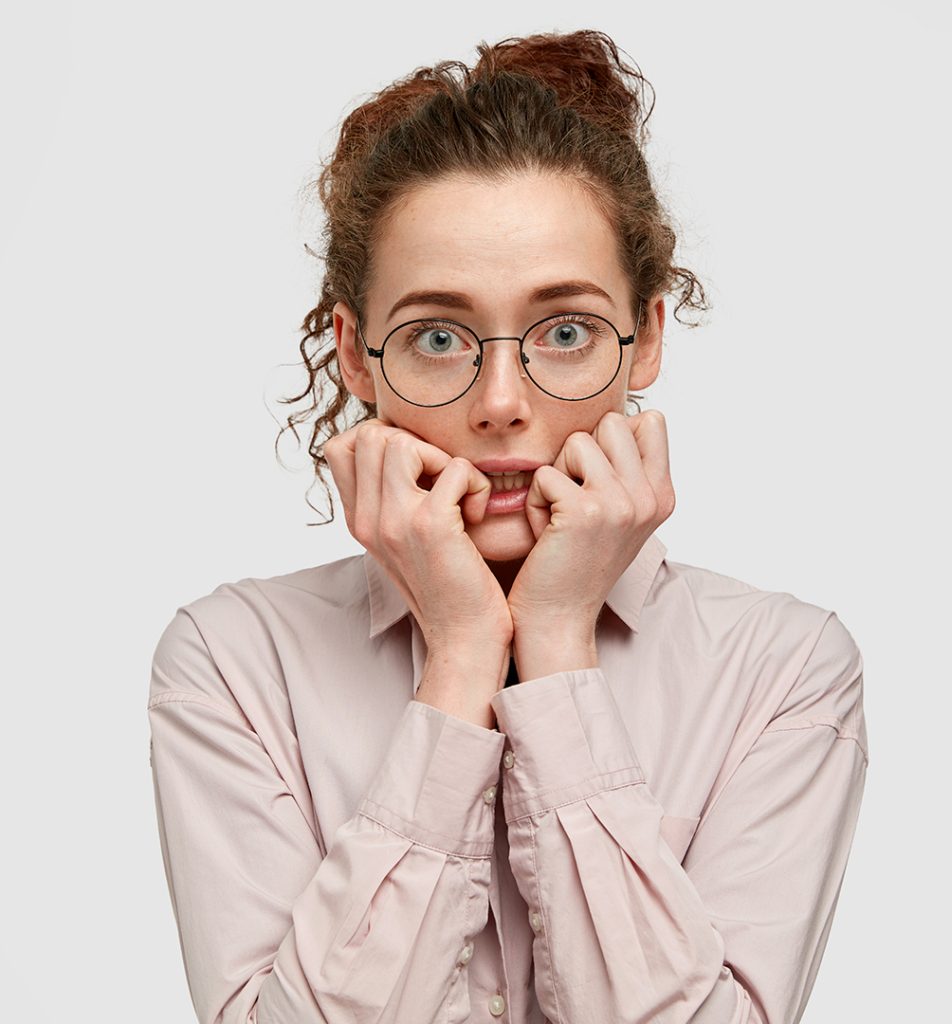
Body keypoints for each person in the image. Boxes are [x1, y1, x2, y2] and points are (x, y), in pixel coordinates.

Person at [147, 29, 868, 1024]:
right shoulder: (233, 663)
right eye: (438, 336)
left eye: (565, 331)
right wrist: (461, 657)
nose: (500, 403)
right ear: (356, 354)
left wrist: (558, 645)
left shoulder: (784, 671)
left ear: (646, 338)